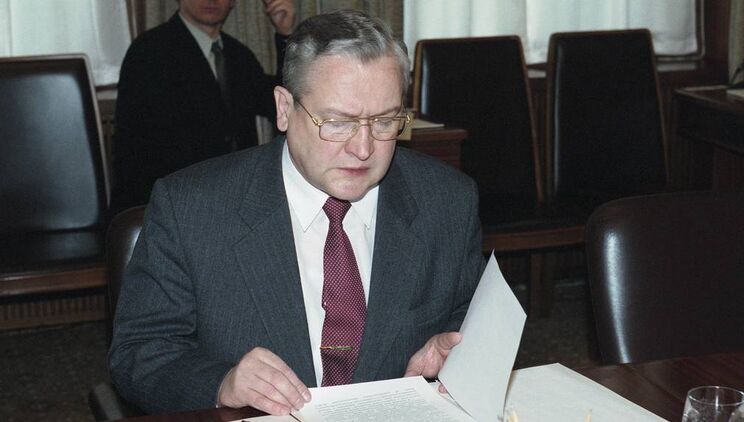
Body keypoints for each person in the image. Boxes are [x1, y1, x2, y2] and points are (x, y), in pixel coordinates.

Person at [109, 9, 485, 416]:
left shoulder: (447, 202)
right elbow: (139, 353)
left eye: (384, 121)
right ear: (284, 108)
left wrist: (458, 354)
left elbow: (473, 318)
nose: (363, 149)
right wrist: (221, 382)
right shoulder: (192, 210)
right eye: (337, 122)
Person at [110, 0, 295, 214]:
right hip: (172, 203)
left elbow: (283, 107)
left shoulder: (239, 55)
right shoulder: (148, 52)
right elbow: (134, 153)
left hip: (234, 198)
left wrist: (285, 35)